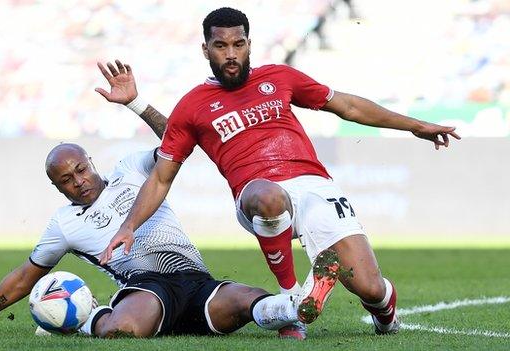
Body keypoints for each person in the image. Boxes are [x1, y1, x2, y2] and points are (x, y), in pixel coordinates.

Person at [98, 7, 461, 339]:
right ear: (205, 49)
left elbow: (347, 105)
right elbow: (162, 176)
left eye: (238, 44)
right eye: (221, 45)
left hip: (315, 187)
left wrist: (415, 125)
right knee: (268, 196)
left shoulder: (280, 77)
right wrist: (129, 226)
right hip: (256, 195)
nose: (231, 54)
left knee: (368, 285)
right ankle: (293, 302)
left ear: (249, 44)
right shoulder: (192, 107)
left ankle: (384, 306)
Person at [0, 65, 341, 338]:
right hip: (147, 286)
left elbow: (176, 139)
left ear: (91, 162)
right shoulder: (63, 224)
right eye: (67, 180)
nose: (79, 181)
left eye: (81, 169)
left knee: (251, 302)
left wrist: (135, 104)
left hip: (196, 280)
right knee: (122, 331)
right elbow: (23, 276)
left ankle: (295, 307)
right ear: (58, 189)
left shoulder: (132, 168)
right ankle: (89, 314)